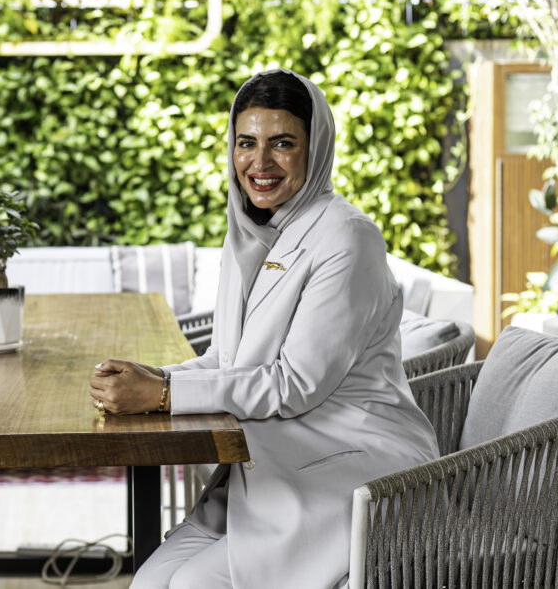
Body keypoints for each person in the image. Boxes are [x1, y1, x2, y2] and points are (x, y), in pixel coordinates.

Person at [88, 68, 440, 588]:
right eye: (246, 143)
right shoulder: (252, 232)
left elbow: (294, 384)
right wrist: (152, 377)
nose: (260, 162)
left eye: (282, 143)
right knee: (149, 581)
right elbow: (228, 361)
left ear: (315, 148)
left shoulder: (348, 237)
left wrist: (163, 394)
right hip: (266, 467)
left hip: (350, 473)